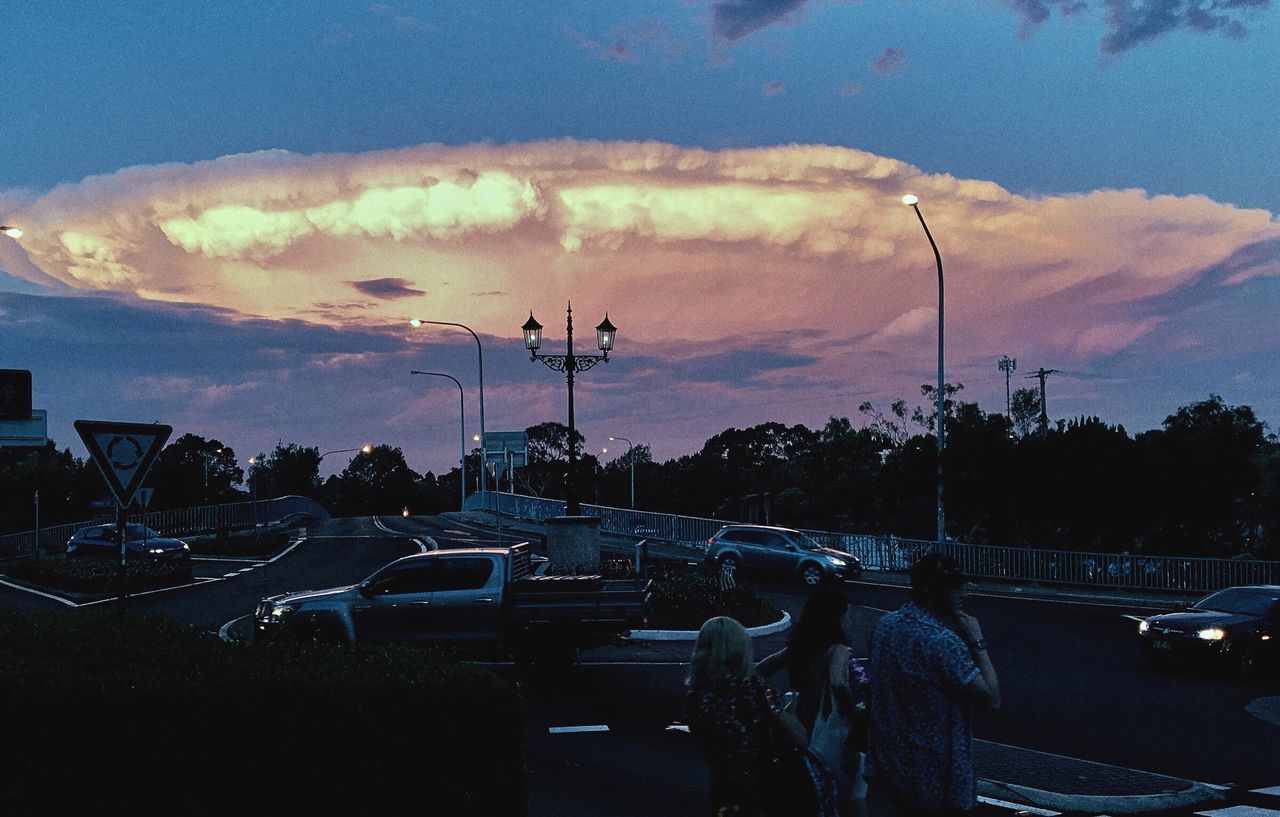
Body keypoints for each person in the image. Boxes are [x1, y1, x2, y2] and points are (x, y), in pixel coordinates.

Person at [866, 554, 1001, 817]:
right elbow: (991, 698)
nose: (962, 592)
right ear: (930, 589)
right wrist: (977, 641)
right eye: (953, 586)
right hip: (937, 780)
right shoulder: (942, 641)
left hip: (891, 770)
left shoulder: (884, 626)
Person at [684, 616, 835, 817]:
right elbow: (800, 737)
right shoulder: (755, 690)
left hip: (726, 787)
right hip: (767, 785)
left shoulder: (697, 697)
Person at [757, 587, 868, 811]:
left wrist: (774, 704)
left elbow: (760, 670)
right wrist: (854, 714)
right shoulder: (838, 650)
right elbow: (838, 682)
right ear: (837, 618)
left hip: (802, 731)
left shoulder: (799, 648)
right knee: (852, 800)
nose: (850, 620)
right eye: (848, 614)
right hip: (832, 733)